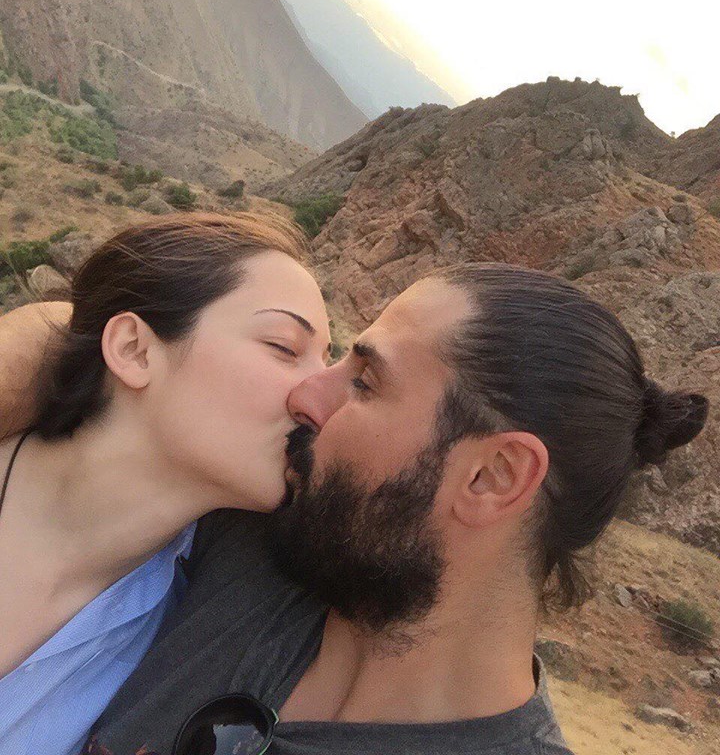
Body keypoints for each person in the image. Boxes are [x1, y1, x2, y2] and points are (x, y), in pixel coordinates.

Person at [1, 264, 707, 755]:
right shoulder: (274, 544)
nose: (309, 395)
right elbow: (83, 329)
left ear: (493, 476)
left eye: (364, 382)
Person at [0, 211, 331, 755]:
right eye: (284, 347)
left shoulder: (178, 634)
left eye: (327, 361)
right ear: (134, 349)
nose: (320, 398)